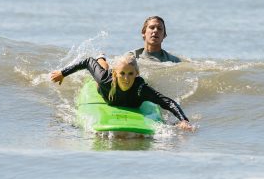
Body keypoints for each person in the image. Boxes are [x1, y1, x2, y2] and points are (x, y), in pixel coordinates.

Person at [50, 52, 196, 131]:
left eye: (131, 74)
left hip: (119, 81)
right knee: (101, 71)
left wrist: (184, 120)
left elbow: (167, 102)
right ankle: (102, 57)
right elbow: (87, 62)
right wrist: (63, 73)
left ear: (137, 74)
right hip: (105, 87)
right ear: (116, 74)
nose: (126, 78)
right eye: (122, 74)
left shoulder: (141, 89)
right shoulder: (105, 80)